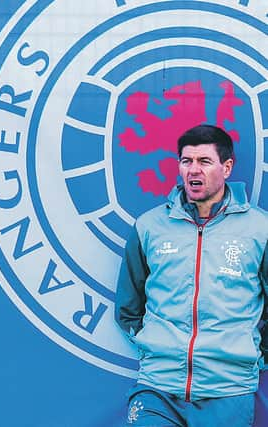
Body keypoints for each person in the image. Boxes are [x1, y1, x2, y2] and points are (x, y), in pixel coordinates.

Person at [114, 124, 268, 427]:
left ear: (226, 167)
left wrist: (254, 355)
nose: (192, 170)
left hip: (228, 391)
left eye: (204, 162)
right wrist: (150, 344)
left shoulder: (259, 229)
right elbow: (128, 307)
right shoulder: (149, 226)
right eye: (186, 161)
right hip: (157, 388)